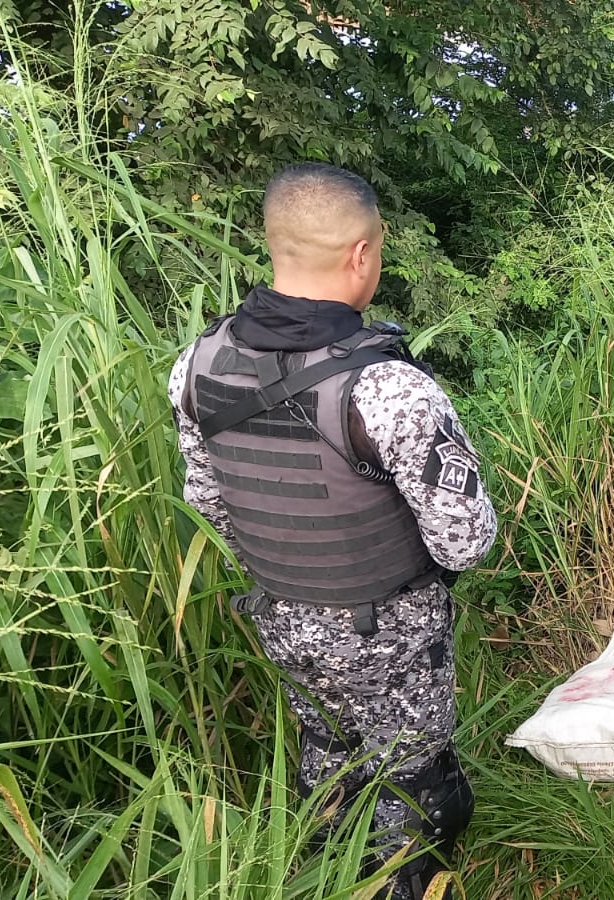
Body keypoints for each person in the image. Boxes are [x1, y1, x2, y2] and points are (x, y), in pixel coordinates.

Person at [168, 163, 497, 899]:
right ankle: (401, 877)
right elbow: (465, 540)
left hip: (280, 615)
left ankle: (324, 863)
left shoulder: (198, 364)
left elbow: (208, 502)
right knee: (411, 774)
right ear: (362, 254)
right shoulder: (390, 388)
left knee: (325, 749)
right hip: (389, 626)